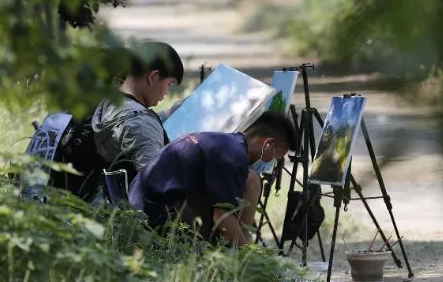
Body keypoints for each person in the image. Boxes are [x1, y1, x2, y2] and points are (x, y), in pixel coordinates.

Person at [128, 112, 297, 247]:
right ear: (267, 143)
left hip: (142, 202)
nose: (273, 163)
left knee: (251, 179)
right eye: (276, 157)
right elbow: (222, 219)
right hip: (153, 217)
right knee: (226, 235)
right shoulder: (232, 159)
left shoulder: (226, 143)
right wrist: (251, 259)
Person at [91, 41, 184, 182]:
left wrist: (174, 110)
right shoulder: (143, 125)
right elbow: (157, 185)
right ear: (153, 77)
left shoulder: (110, 98)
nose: (166, 92)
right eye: (169, 84)